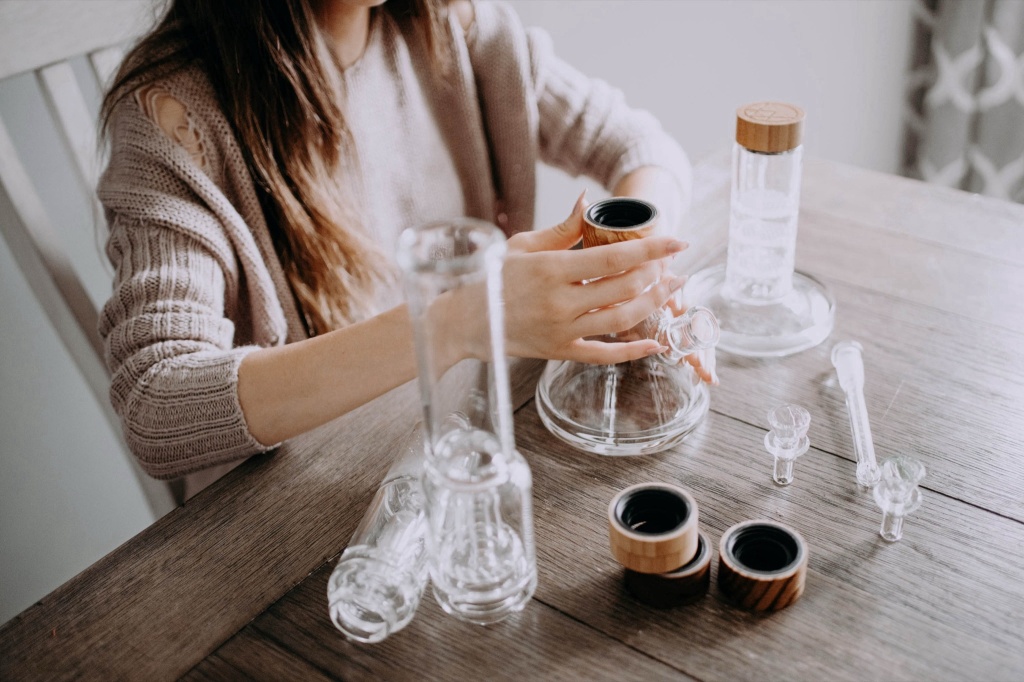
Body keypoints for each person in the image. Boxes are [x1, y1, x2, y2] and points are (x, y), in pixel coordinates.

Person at [98, 0, 707, 496]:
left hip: (464, 432)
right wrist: (459, 322)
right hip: (293, 505)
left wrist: (631, 270)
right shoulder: (170, 116)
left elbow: (641, 148)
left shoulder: (452, 25)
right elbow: (156, 404)